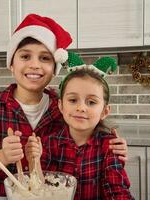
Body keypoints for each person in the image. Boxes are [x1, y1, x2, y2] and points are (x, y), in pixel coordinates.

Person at [0, 14, 128, 196]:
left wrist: (112, 149)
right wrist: (3, 155)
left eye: (45, 58)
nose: (34, 65)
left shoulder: (65, 108)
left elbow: (86, 140)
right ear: (11, 64)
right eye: (25, 56)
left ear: (54, 69)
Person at [25, 53, 134, 200]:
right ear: (61, 106)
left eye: (91, 102)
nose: (81, 108)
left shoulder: (110, 146)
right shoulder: (48, 144)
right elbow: (41, 190)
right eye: (73, 100)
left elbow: (116, 190)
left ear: (104, 111)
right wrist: (34, 161)